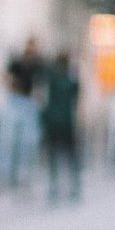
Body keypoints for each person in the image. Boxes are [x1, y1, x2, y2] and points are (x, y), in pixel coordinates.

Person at [0, 35, 45, 188]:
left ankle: (22, 176)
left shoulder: (38, 64)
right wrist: (11, 85)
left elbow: (41, 84)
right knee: (7, 140)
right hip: (15, 100)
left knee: (27, 142)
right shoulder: (17, 61)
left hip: (28, 103)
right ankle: (4, 176)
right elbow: (3, 76)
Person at [41, 50, 81, 202]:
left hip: (54, 122)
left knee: (54, 156)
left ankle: (55, 187)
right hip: (66, 122)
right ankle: (74, 187)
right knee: (71, 157)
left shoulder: (52, 77)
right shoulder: (71, 80)